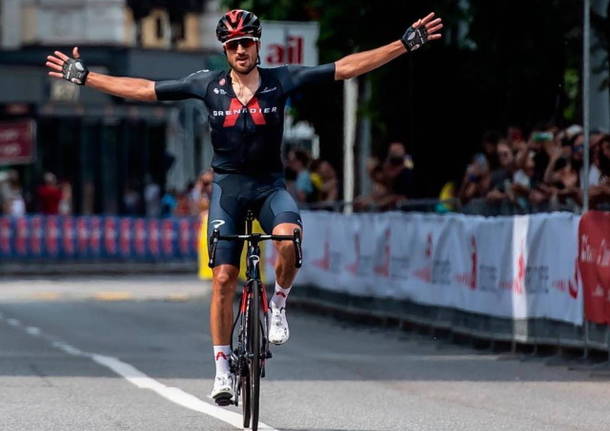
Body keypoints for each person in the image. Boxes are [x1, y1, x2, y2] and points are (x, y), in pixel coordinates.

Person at [45, 8, 443, 404]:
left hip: (270, 187)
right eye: (233, 44)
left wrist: (403, 44)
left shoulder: (280, 80)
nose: (240, 50)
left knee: (288, 240)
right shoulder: (207, 84)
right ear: (225, 48)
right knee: (222, 280)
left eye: (246, 43)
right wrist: (85, 76)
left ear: (257, 45)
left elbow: (346, 67)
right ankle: (221, 372)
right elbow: (144, 88)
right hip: (228, 191)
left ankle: (279, 306)